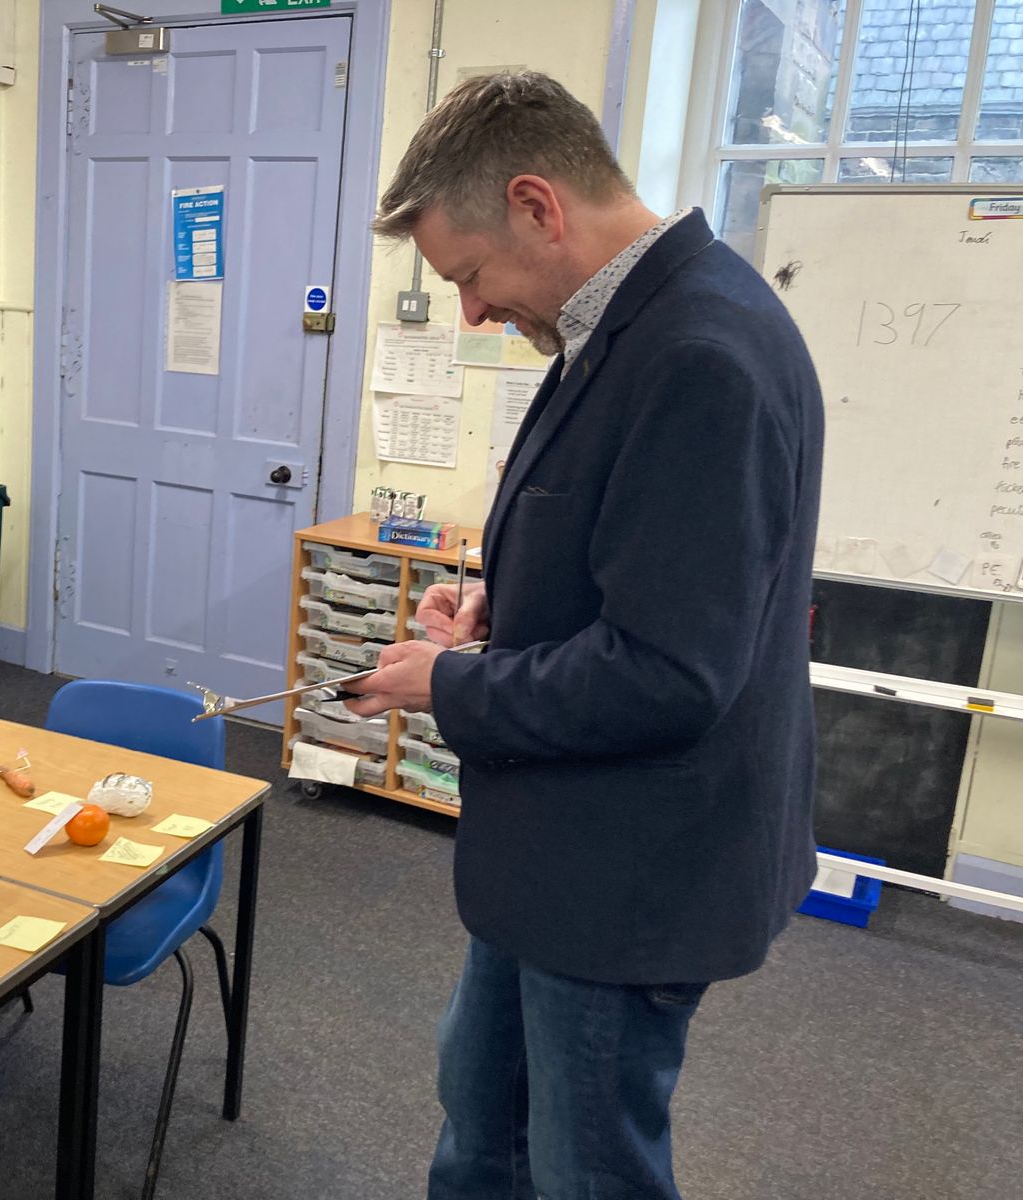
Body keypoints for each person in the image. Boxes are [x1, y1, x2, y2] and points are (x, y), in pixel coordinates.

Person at [349, 72, 823, 1200]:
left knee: (585, 1170)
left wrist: (452, 685)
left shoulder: (700, 351)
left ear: (535, 205)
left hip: (628, 880)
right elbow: (627, 566)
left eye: (468, 275)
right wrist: (497, 614)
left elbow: (669, 672)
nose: (466, 311)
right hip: (552, 856)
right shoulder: (614, 324)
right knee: (480, 1134)